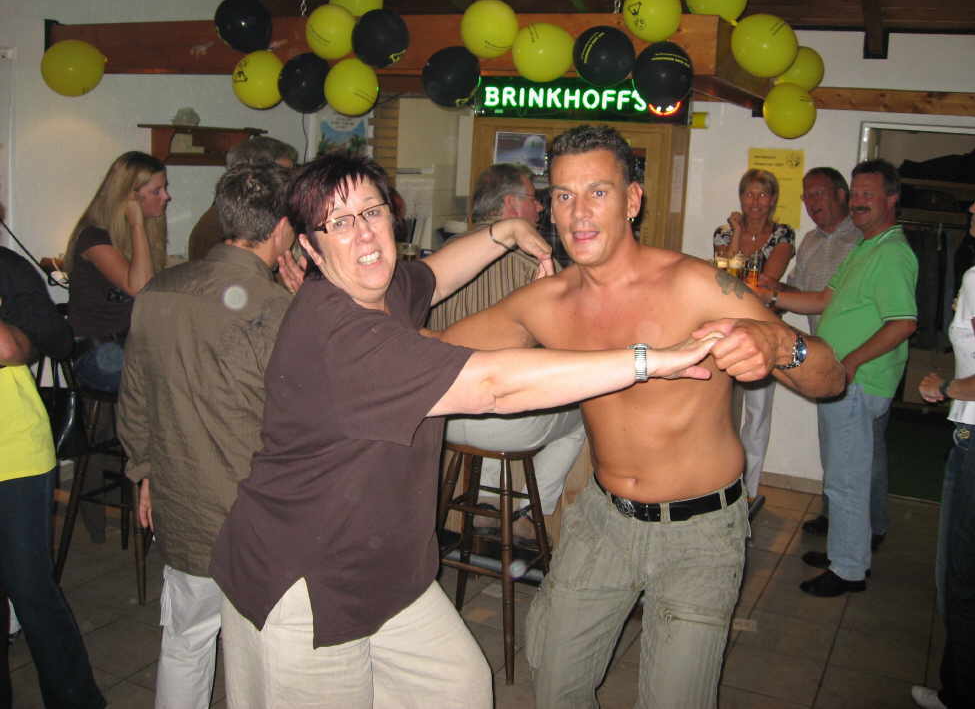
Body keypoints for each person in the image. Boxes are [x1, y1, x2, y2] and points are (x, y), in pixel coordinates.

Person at [208, 151, 730, 709]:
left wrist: (503, 232)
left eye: (372, 212)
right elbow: (494, 387)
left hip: (384, 574)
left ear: (392, 217)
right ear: (311, 248)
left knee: (459, 688)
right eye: (339, 223)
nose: (363, 234)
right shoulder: (343, 337)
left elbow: (434, 275)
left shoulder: (378, 290)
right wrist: (650, 360)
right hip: (305, 584)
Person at [437, 125, 845, 708]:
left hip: (700, 533)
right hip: (603, 521)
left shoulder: (697, 285)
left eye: (598, 192)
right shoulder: (545, 302)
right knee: (554, 683)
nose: (579, 212)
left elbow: (831, 378)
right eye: (563, 194)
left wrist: (780, 345)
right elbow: (435, 353)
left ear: (632, 200)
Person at [118, 162, 294, 709]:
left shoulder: (157, 292)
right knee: (265, 660)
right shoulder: (278, 309)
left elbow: (134, 401)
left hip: (185, 504)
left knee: (185, 641)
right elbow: (303, 427)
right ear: (282, 228)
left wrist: (145, 472)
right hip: (257, 517)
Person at [764, 159, 918, 597]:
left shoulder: (892, 252)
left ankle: (848, 569)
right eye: (857, 193)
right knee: (841, 473)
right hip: (839, 378)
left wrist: (850, 362)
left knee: (846, 479)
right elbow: (821, 300)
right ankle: (845, 551)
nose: (859, 201)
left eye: (869, 194)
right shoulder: (866, 247)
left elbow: (903, 322)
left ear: (891, 198)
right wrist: (768, 294)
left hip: (859, 380)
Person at [429, 163, 586, 537]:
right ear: (512, 205)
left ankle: (486, 503)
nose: (541, 207)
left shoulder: (441, 259)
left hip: (442, 416)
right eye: (534, 198)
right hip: (500, 418)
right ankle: (531, 512)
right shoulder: (536, 263)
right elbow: (566, 347)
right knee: (584, 408)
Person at [0, 213, 106, 708]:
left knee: (30, 590)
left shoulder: (10, 270)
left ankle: (76, 699)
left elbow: (49, 341)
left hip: (14, 455)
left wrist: (18, 341)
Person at [910, 170, 975, 709]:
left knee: (964, 583)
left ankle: (966, 698)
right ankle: (955, 688)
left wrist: (944, 387)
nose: (971, 209)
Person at [783, 167, 862, 536]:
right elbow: (796, 291)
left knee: (855, 453)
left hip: (857, 358)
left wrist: (772, 295)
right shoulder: (811, 241)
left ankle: (857, 530)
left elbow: (825, 301)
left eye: (819, 194)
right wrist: (762, 293)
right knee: (834, 445)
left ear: (841, 194)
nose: (811, 203)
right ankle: (837, 517)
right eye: (807, 196)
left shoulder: (861, 240)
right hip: (825, 357)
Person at [712, 169, 795, 497]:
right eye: (749, 194)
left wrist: (741, 278)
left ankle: (748, 491)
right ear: (741, 197)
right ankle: (720, 483)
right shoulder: (724, 233)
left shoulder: (783, 234)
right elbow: (724, 280)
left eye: (763, 194)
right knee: (717, 409)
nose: (755, 201)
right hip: (726, 327)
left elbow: (767, 281)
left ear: (773, 199)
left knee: (757, 414)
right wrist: (736, 236)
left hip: (765, 330)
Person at [64, 151, 170, 392]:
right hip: (97, 352)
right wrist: (136, 224)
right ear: (130, 197)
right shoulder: (94, 238)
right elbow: (140, 288)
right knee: (168, 383)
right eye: (157, 191)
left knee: (193, 367)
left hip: (131, 347)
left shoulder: (136, 238)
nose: (166, 196)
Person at [187, 136, 298, 262]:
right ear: (251, 175)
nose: (291, 182)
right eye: (283, 175)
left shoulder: (256, 215)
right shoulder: (216, 228)